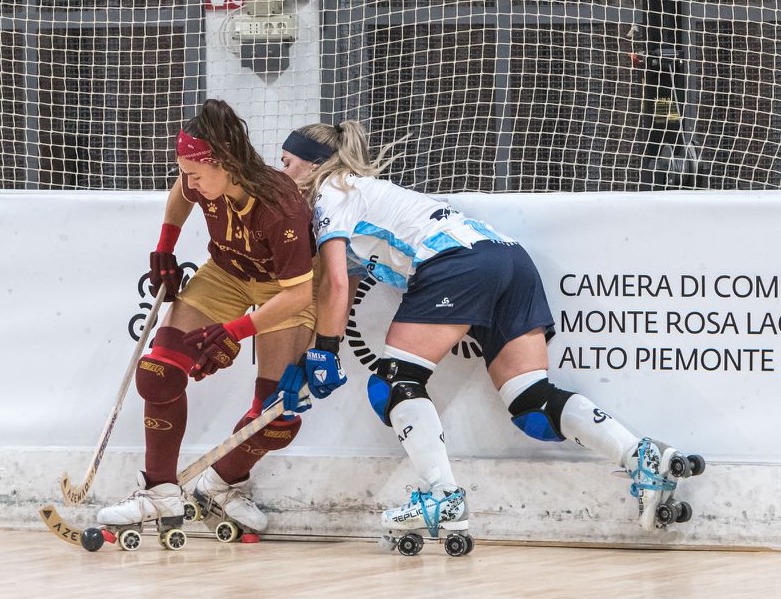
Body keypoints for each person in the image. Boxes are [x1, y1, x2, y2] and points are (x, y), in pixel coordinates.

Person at [277, 121, 705, 549]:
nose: (280, 173)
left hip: (457, 263)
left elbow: (332, 282)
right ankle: (642, 457)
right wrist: (310, 357)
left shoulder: (334, 191)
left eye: (287, 163)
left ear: (315, 166)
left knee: (394, 382)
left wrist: (328, 353)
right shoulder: (364, 195)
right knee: (531, 402)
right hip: (508, 257)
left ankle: (442, 497)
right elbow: (343, 290)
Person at [96, 99, 316, 536]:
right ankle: (159, 492)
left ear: (226, 163)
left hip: (284, 290)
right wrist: (166, 243)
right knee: (158, 372)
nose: (190, 181)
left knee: (276, 416)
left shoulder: (280, 206)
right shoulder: (198, 179)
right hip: (226, 274)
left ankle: (221, 485)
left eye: (197, 172)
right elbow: (182, 189)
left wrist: (234, 331)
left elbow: (300, 294)